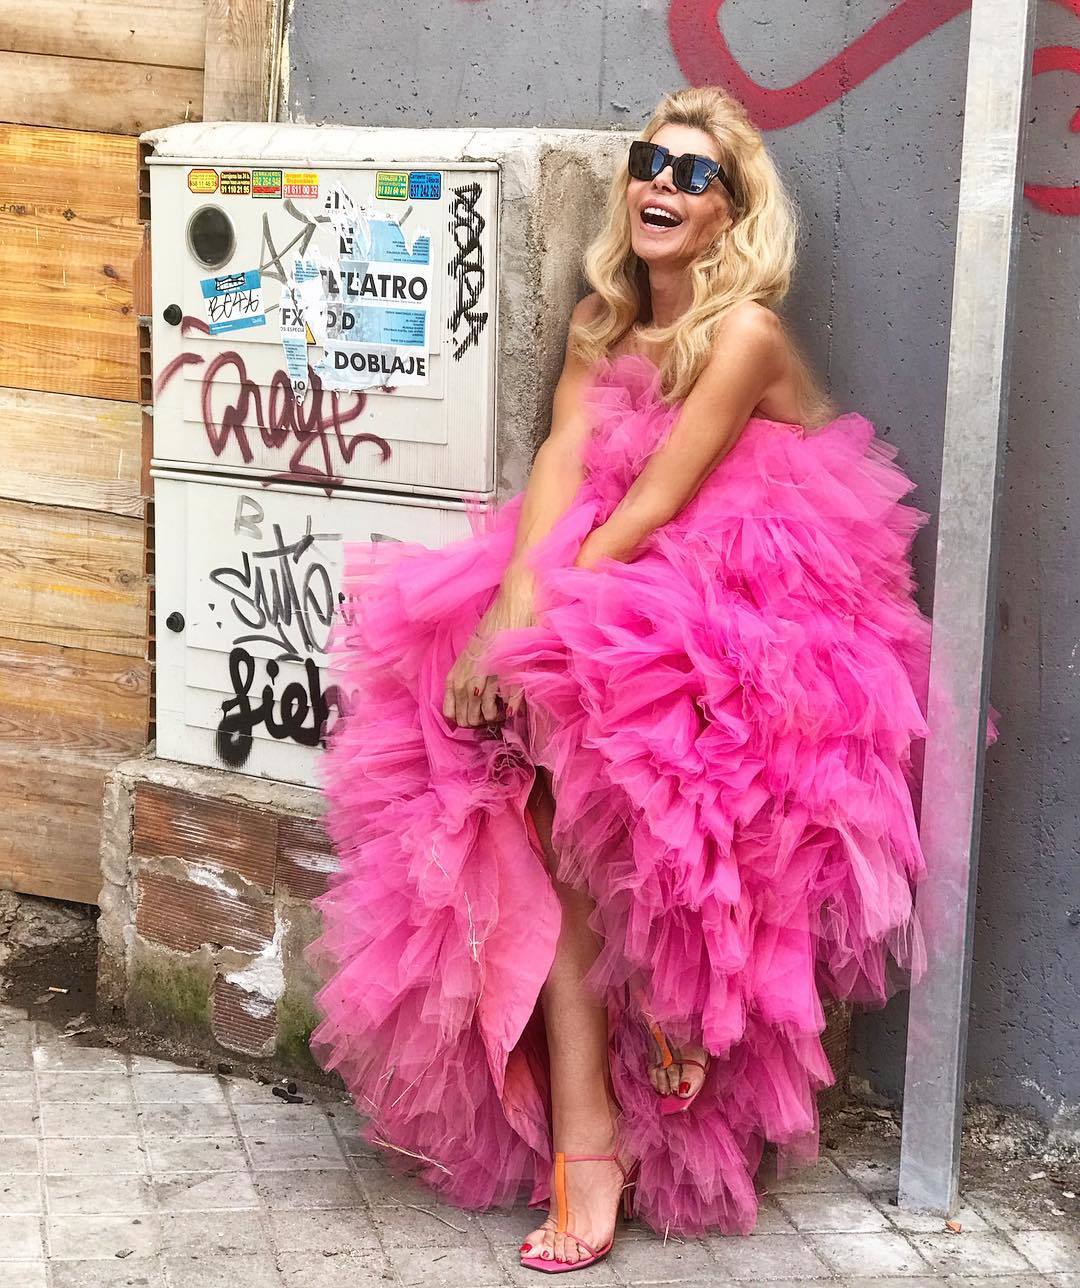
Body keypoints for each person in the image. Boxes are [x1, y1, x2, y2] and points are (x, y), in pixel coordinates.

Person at [306, 85, 942, 1272]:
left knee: (584, 735)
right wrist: (509, 608)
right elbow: (560, 463)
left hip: (752, 602)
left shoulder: (744, 335)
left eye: (695, 175)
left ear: (730, 214)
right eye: (652, 161)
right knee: (507, 777)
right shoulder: (603, 317)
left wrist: (536, 629)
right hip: (611, 568)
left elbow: (656, 502)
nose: (662, 184)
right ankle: (591, 1113)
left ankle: (639, 1048)